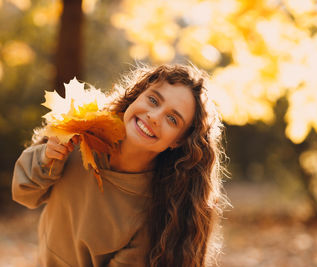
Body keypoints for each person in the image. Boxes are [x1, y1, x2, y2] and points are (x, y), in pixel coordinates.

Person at [12, 64, 228, 267]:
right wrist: (48, 158)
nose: (154, 116)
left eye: (172, 119)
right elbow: (24, 194)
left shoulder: (157, 209)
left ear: (178, 141)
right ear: (137, 95)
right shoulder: (81, 133)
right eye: (153, 100)